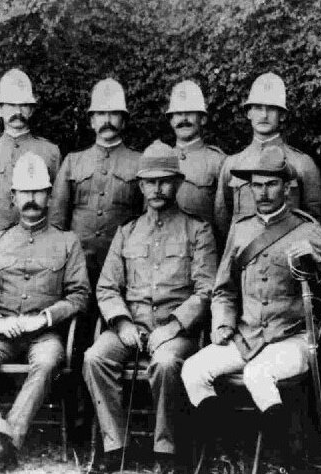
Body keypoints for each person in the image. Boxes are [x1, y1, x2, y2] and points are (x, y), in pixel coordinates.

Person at [181, 146, 321, 470]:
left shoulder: (306, 229)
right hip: (246, 337)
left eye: (270, 184)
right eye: (256, 185)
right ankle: (230, 450)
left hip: (290, 339)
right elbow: (223, 290)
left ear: (287, 187)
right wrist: (222, 324)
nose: (262, 192)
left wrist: (318, 263)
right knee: (193, 370)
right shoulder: (241, 229)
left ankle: (283, 460)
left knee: (257, 373)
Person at [83, 142, 217, 473]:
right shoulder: (127, 232)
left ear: (178, 183)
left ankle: (166, 452)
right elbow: (107, 287)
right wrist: (124, 324)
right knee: (94, 357)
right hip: (131, 326)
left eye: (165, 180)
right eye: (149, 182)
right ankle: (116, 447)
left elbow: (206, 290)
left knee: (167, 362)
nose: (157, 189)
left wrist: (173, 327)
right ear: (140, 186)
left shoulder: (197, 230)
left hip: (176, 332)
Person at [0, 152, 90, 472]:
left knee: (47, 362)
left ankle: (9, 439)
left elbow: (79, 295)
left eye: (38, 192)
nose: (31, 199)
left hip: (45, 333)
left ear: (48, 196)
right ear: (13, 198)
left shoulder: (67, 241)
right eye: (25, 193)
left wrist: (45, 318)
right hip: (3, 329)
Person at [49, 78, 144, 289]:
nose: (107, 120)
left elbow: (145, 219)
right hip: (77, 264)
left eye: (114, 114)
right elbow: (57, 219)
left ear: (124, 121)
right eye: (101, 114)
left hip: (123, 263)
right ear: (92, 121)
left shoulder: (139, 163)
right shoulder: (73, 161)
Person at [0, 68, 61, 266]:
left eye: (23, 105)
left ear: (31, 110)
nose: (17, 111)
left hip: (38, 252)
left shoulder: (50, 152)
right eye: (10, 105)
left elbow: (57, 209)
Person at [214, 72, 321, 235]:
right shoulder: (232, 164)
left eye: (271, 109)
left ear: (282, 115)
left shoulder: (302, 164)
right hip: (244, 254)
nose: (264, 115)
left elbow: (314, 221)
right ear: (249, 113)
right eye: (258, 108)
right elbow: (222, 220)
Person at [165, 80, 226, 242]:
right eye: (178, 114)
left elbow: (224, 220)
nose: (183, 119)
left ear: (203, 119)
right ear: (171, 120)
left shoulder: (218, 162)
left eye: (190, 113)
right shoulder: (161, 158)